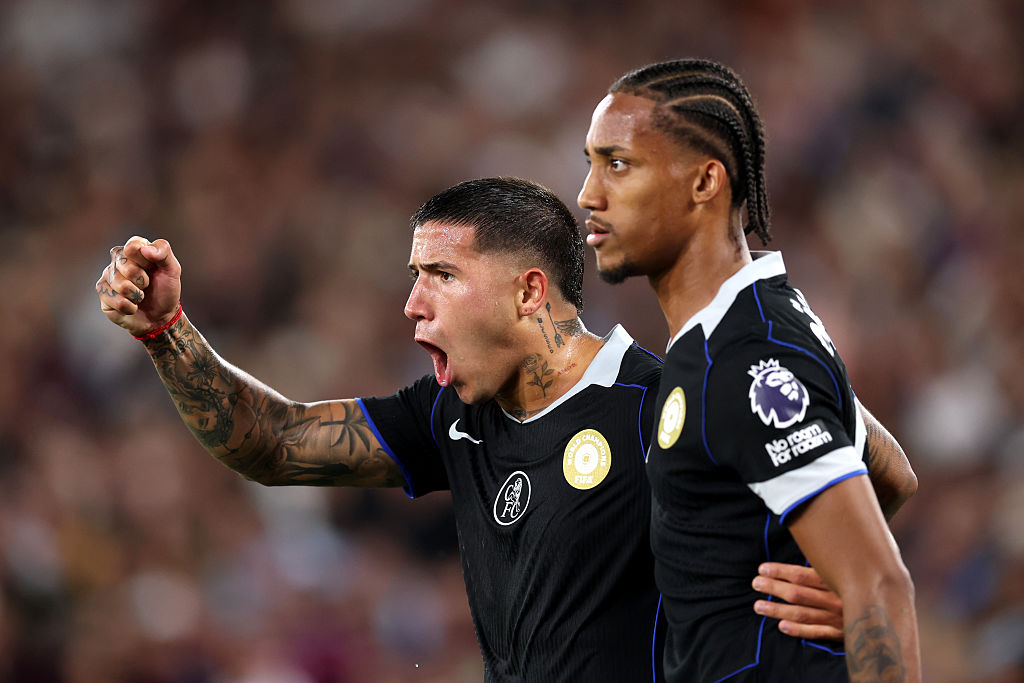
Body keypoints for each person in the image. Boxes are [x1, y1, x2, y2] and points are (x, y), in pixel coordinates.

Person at [97, 177, 861, 682]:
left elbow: (868, 466)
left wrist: (849, 583)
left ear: (529, 291)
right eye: (413, 276)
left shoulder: (665, 404)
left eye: (442, 275)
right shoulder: (454, 416)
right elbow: (277, 441)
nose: (412, 304)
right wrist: (166, 329)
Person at [578, 59, 921, 681]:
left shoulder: (747, 357)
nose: (589, 194)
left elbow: (884, 584)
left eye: (618, 164)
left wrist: (862, 586)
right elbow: (891, 471)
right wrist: (839, 572)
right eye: (591, 163)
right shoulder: (738, 330)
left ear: (705, 182)